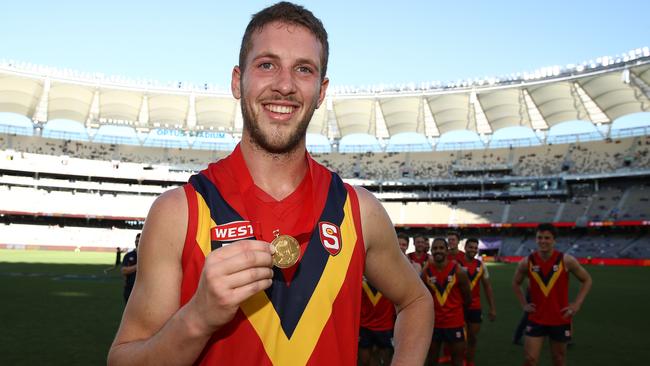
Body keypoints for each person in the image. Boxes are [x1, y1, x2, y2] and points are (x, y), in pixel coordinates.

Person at [107, 3, 433, 365]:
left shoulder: (358, 211)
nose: (284, 85)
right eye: (267, 65)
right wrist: (196, 319)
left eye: (304, 70)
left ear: (321, 91)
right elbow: (123, 359)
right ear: (237, 80)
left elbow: (417, 300)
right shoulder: (179, 212)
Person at [512, 223, 592, 366]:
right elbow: (516, 283)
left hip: (560, 317)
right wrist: (524, 304)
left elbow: (587, 280)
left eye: (547, 238)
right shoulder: (527, 262)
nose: (543, 241)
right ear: (535, 239)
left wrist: (577, 304)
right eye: (539, 237)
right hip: (536, 318)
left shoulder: (566, 260)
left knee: (559, 359)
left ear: (554, 240)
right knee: (529, 360)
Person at [422, 238, 471, 366]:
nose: (438, 251)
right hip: (434, 324)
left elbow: (467, 298)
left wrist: (458, 314)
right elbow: (422, 299)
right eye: (435, 248)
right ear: (431, 250)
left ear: (447, 250)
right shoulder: (426, 273)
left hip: (454, 323)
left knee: (457, 360)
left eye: (441, 248)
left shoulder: (458, 271)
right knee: (431, 360)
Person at [459, 237, 496, 366]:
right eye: (470, 247)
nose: (473, 250)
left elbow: (487, 287)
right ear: (465, 248)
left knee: (472, 338)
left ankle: (469, 361)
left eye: (475, 248)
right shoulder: (456, 264)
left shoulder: (481, 266)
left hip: (475, 307)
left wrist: (492, 307)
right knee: (459, 338)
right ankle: (460, 359)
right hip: (459, 307)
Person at [358, 278, 395, 366]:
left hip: (385, 325)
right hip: (364, 325)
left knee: (386, 362)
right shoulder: (359, 270)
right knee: (364, 362)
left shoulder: (392, 270)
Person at [120, 234, 140, 303]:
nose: (137, 243)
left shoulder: (149, 255)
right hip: (129, 289)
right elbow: (123, 270)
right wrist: (138, 266)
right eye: (136, 241)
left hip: (143, 291)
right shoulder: (129, 255)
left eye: (139, 241)